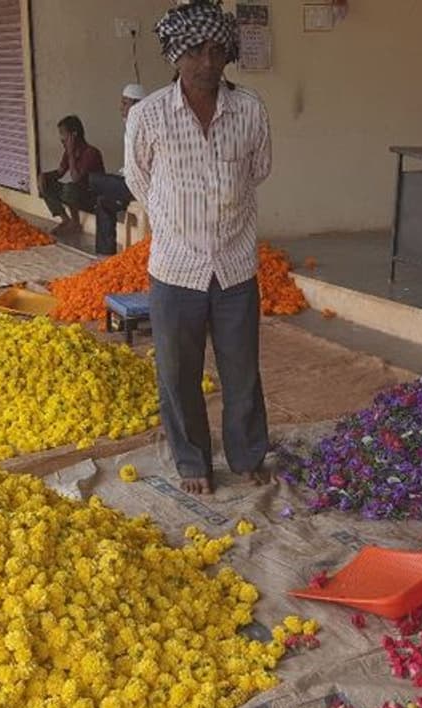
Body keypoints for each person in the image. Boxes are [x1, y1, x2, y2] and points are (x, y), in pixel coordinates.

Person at [125, 0, 272, 495]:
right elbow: (138, 180)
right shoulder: (148, 116)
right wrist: (177, 222)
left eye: (216, 51)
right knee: (178, 373)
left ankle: (247, 455)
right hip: (175, 269)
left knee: (241, 372)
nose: (207, 62)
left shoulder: (249, 109)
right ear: (175, 55)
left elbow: (259, 170)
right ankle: (193, 462)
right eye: (195, 52)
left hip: (234, 266)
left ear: (227, 54)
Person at [88, 83, 146, 255]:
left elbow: (143, 166)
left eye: (125, 103)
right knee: (103, 201)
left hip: (142, 185)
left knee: (93, 180)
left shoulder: (144, 128)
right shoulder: (130, 126)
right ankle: (104, 255)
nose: (121, 108)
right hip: (130, 182)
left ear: (136, 105)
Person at [39, 115, 104, 236]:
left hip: (92, 198)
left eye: (63, 134)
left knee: (70, 188)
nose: (61, 138)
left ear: (74, 135)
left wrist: (70, 153)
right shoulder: (69, 152)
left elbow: (76, 178)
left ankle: (75, 223)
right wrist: (44, 177)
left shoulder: (91, 153)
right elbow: (60, 172)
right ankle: (65, 220)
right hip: (77, 194)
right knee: (46, 183)